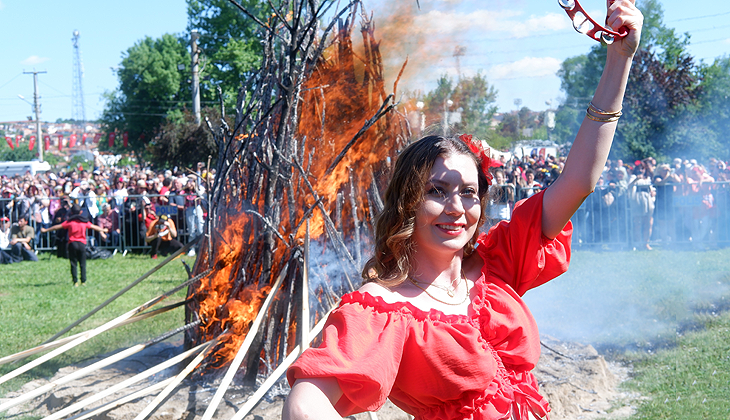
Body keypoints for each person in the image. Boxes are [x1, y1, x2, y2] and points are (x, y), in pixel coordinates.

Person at [282, 2, 643, 419]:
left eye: (469, 193)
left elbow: (578, 182)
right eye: (437, 190)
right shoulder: (382, 309)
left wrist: (620, 58)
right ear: (407, 202)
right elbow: (305, 405)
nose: (456, 207)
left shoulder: (497, 265)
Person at [42, 205, 108, 286]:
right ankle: (83, 281)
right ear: (81, 212)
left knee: (73, 263)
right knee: (83, 264)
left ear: (71, 212)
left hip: (72, 244)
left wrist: (46, 230)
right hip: (82, 244)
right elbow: (94, 227)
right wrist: (103, 230)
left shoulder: (69, 222)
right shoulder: (84, 222)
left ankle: (75, 281)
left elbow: (57, 227)